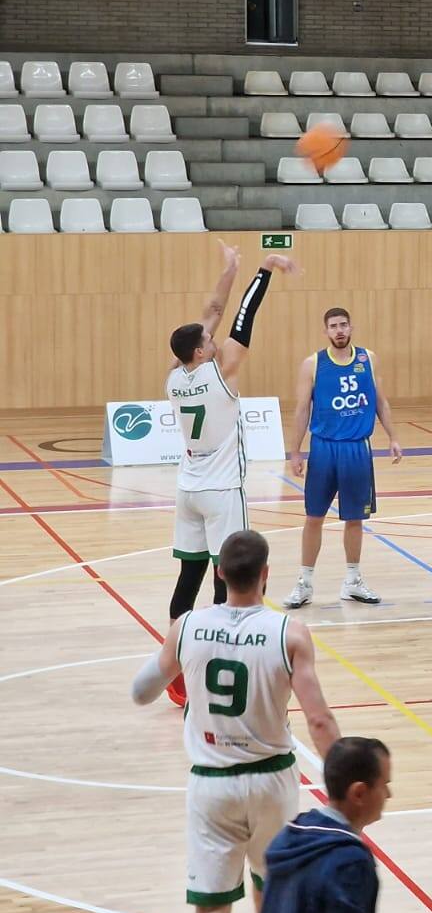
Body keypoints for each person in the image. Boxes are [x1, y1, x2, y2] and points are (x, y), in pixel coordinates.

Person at [131, 530, 341, 913]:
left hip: (211, 784)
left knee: (212, 907)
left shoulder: (189, 625)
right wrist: (339, 789)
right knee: (272, 898)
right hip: (273, 781)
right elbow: (319, 721)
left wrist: (178, 654)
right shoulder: (290, 632)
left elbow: (141, 693)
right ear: (266, 573)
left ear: (221, 572)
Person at [164, 242, 298, 706]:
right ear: (201, 353)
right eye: (207, 342)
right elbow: (242, 320)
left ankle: (176, 674)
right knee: (229, 580)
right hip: (222, 491)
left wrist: (229, 267)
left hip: (189, 488)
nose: (213, 339)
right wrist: (262, 271)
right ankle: (225, 659)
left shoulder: (175, 377)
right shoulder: (221, 373)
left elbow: (213, 311)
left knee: (188, 578)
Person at [284, 308, 403, 608]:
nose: (339, 330)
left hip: (356, 448)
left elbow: (380, 401)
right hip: (324, 448)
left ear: (352, 327)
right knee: (314, 517)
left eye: (343, 325)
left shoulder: (368, 359)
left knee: (354, 518)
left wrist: (393, 437)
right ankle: (305, 582)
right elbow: (301, 410)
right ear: (325, 331)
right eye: (333, 326)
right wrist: (295, 450)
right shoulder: (313, 364)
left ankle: (353, 580)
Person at [255, 736, 390, 913]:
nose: (389, 794)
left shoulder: (287, 837)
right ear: (359, 793)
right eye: (384, 784)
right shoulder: (350, 862)